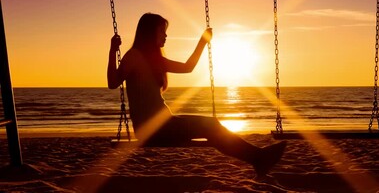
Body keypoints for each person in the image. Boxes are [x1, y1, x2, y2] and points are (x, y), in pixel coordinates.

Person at [108, 13, 285, 176]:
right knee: (210, 126)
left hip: (164, 124)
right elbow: (112, 82)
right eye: (162, 31)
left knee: (211, 126)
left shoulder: (155, 60)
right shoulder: (134, 57)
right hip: (154, 129)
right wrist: (112, 50)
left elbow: (188, 67)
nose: (165, 35)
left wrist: (202, 42)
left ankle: (258, 159)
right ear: (149, 32)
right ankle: (258, 158)